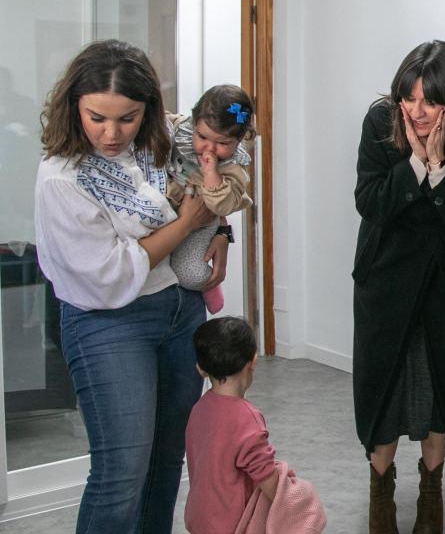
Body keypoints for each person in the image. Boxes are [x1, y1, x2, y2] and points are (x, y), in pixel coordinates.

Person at [34, 39, 228, 533]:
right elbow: (113, 273)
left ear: (149, 109)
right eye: (97, 117)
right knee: (121, 473)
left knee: (166, 463)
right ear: (73, 106)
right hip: (108, 322)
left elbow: (217, 172)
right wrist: (187, 223)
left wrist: (220, 229)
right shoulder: (62, 178)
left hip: (179, 310)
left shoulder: (164, 137)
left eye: (128, 118)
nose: (112, 133)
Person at [352, 40, 445, 534]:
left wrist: (440, 168)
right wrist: (413, 165)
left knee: (440, 388)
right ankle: (381, 495)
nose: (416, 111)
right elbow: (369, 203)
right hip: (385, 280)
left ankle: (431, 494)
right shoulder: (380, 122)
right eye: (408, 99)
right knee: (383, 392)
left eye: (429, 101)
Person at [184, 316, 325, 534]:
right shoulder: (246, 417)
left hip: (200, 519)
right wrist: (301, 503)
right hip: (232, 524)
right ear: (253, 361)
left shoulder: (199, 409)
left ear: (201, 368)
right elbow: (266, 478)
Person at [166, 84, 255, 314]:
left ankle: (210, 288)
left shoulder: (233, 168)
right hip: (169, 215)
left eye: (223, 143)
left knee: (191, 274)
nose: (209, 148)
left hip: (203, 224)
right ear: (194, 123)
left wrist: (211, 175)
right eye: (202, 136)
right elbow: (163, 119)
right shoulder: (179, 131)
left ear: (239, 140)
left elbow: (221, 205)